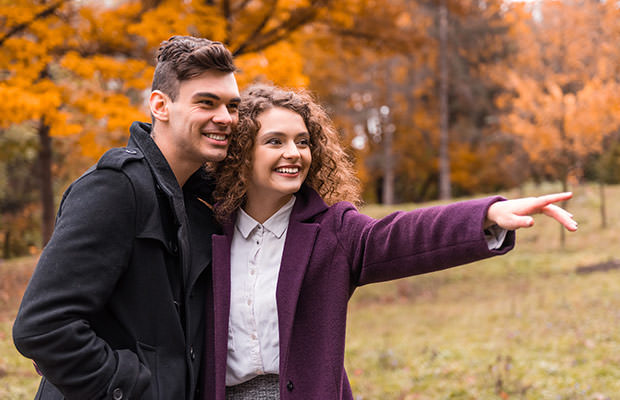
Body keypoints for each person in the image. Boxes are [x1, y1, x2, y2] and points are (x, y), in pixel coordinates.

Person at [201, 84, 578, 400]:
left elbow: (403, 236)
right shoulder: (206, 228)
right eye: (274, 141)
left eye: (302, 141)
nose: (293, 153)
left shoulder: (334, 231)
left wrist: (487, 215)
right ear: (242, 153)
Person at [12, 35, 241, 400]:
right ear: (160, 105)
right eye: (206, 103)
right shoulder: (114, 188)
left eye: (232, 106)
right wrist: (130, 387)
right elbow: (43, 327)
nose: (225, 118)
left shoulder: (201, 205)